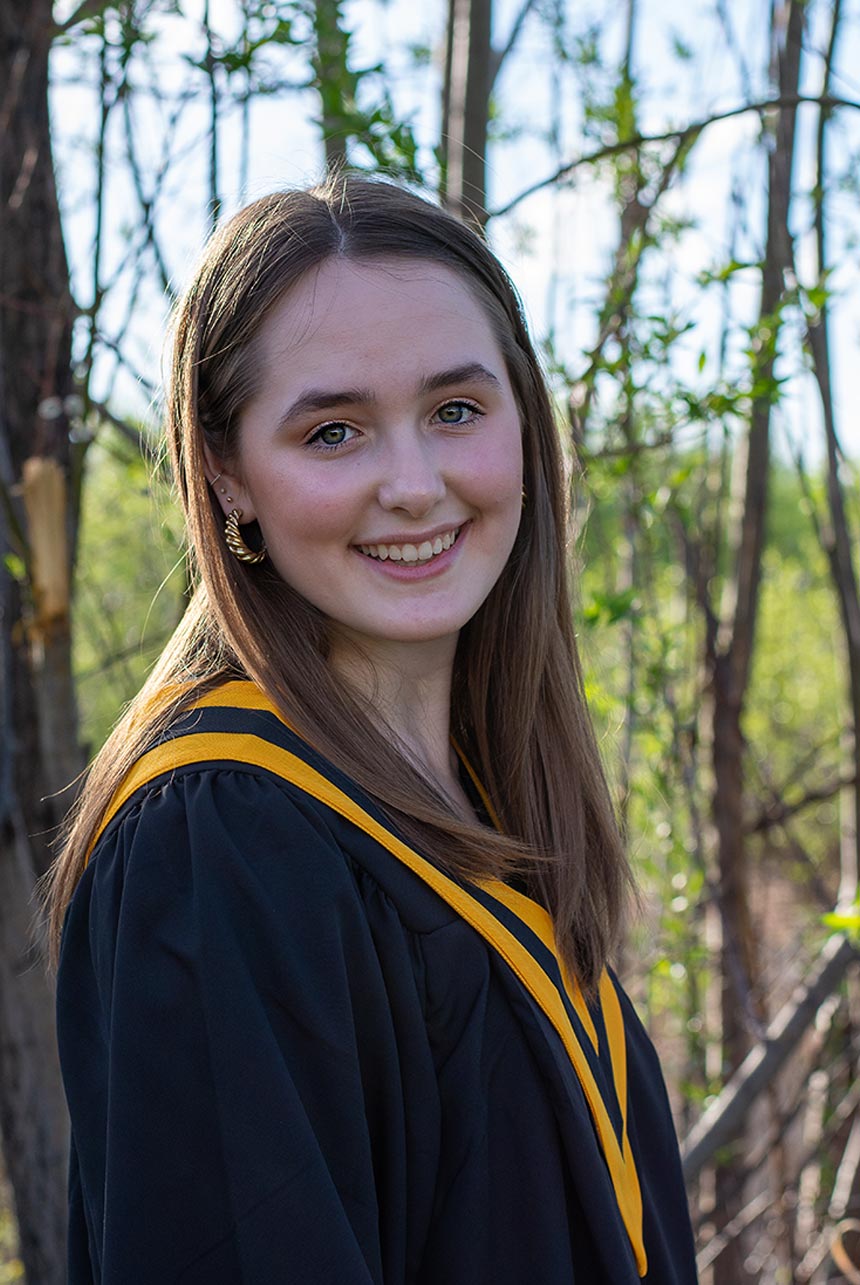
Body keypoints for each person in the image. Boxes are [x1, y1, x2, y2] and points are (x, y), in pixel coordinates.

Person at [45, 174, 698, 1284]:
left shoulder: (479, 805)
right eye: (333, 430)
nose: (413, 484)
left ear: (523, 424)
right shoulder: (224, 839)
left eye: (455, 410)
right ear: (227, 474)